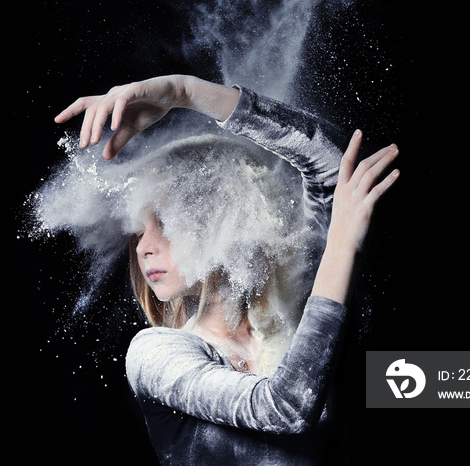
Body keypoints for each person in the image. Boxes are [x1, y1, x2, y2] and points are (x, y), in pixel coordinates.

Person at [54, 74, 399, 464]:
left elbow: (340, 171)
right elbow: (287, 408)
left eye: (164, 223)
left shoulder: (289, 311)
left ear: (226, 218)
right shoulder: (156, 354)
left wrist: (185, 92)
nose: (144, 248)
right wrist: (342, 242)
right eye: (138, 233)